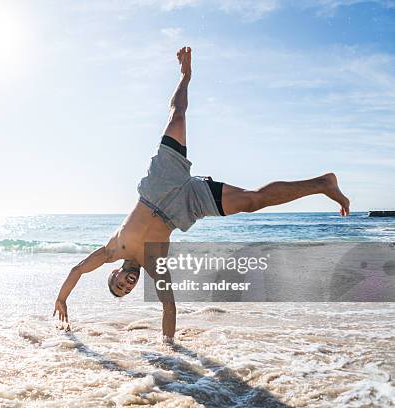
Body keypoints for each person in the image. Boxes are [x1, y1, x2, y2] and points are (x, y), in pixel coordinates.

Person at [53, 46, 350, 342]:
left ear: (115, 273)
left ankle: (186, 75)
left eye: (119, 285)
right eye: (126, 291)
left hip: (159, 185)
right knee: (252, 201)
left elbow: (78, 269)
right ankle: (322, 183)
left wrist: (62, 299)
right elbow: (169, 308)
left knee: (178, 115)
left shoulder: (112, 250)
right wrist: (169, 350)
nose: (126, 286)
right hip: (186, 205)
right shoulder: (154, 268)